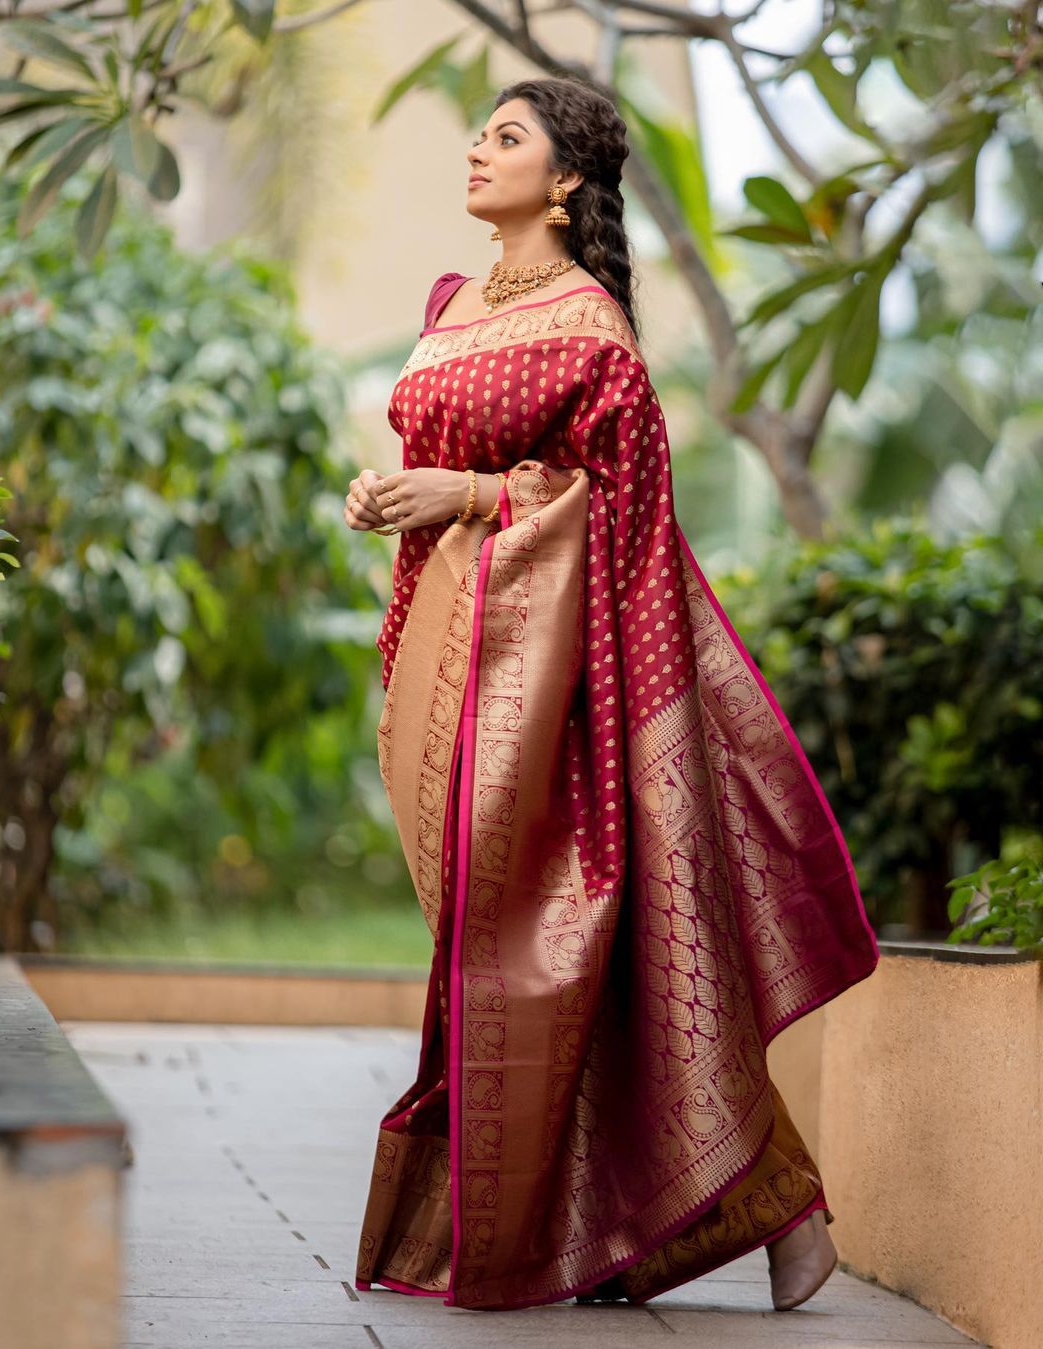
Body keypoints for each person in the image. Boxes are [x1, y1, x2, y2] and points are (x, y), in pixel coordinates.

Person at [344, 74, 879, 1313]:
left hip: (560, 693)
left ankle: (776, 1204)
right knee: (511, 955)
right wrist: (391, 494)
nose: (478, 147)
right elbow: (439, 460)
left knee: (567, 954)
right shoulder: (452, 302)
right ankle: (627, 1225)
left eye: (510, 136)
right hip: (450, 664)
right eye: (481, 130)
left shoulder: (597, 334)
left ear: (568, 178)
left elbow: (620, 511)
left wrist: (471, 499)